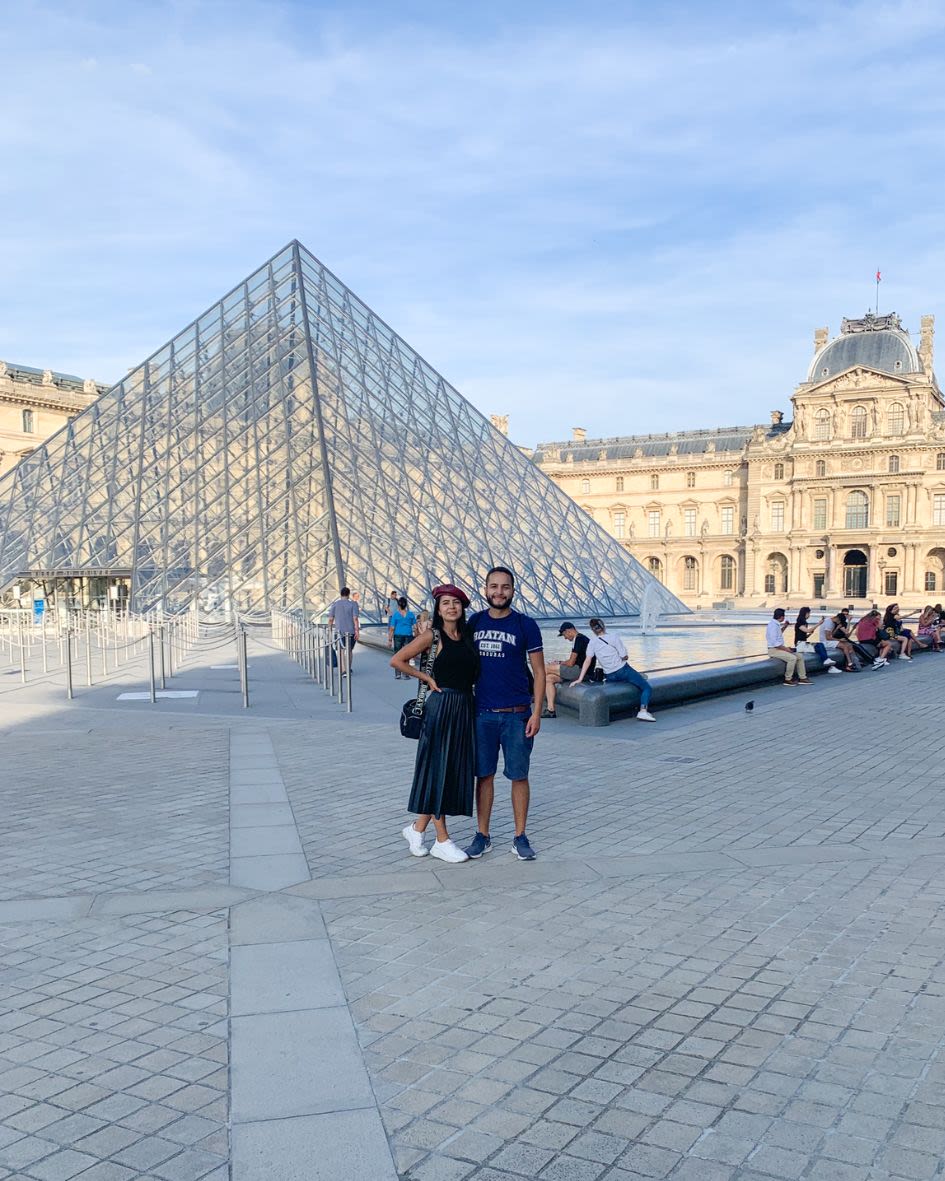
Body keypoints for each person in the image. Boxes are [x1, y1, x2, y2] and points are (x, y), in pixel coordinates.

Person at [392, 584, 479, 864]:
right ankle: (442, 840)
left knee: (447, 770)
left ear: (463, 607)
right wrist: (427, 679)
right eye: (445, 603)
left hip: (464, 707)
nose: (451, 607)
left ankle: (417, 829)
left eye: (456, 602)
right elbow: (398, 659)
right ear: (438, 609)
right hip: (442, 707)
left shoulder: (466, 635)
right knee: (439, 770)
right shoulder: (433, 635)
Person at [464, 566, 546, 862]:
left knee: (519, 776)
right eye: (494, 586)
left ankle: (520, 835)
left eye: (505, 587)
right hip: (482, 714)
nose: (499, 592)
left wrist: (537, 713)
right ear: (485, 590)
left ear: (513, 590)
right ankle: (482, 835)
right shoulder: (473, 622)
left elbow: (539, 672)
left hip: (517, 714)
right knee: (483, 776)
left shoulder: (526, 625)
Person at [574, 619, 656, 720]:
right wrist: (625, 655)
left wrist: (580, 679)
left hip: (609, 675)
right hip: (623, 670)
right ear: (603, 626)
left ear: (593, 630)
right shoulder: (614, 637)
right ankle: (643, 711)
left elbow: (587, 661)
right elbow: (624, 656)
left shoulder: (592, 643)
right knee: (646, 687)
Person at [542, 622, 594, 718]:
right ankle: (550, 710)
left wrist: (558, 663)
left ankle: (534, 696)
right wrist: (560, 662)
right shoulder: (581, 639)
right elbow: (572, 662)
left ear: (568, 631)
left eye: (564, 635)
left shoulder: (579, 639)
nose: (565, 638)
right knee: (549, 678)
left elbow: (570, 663)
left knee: (544, 668)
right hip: (581, 671)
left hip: (579, 671)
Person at [766, 608, 811, 684]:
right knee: (792, 658)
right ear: (781, 617)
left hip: (779, 648)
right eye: (784, 616)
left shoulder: (775, 624)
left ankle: (802, 678)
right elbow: (775, 643)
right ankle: (787, 679)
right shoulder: (773, 625)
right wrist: (786, 649)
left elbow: (778, 635)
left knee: (799, 656)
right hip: (774, 650)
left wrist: (785, 626)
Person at [796, 607, 840, 675]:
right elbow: (807, 630)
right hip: (800, 644)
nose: (809, 615)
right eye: (809, 613)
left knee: (820, 647)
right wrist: (819, 623)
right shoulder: (799, 622)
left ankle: (830, 665)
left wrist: (810, 634)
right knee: (820, 645)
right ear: (806, 613)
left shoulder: (802, 622)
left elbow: (804, 636)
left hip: (803, 643)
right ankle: (829, 665)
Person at [327, 587, 359, 671]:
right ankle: (348, 668)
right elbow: (355, 618)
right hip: (351, 631)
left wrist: (329, 630)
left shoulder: (335, 604)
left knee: (340, 651)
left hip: (339, 632)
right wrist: (357, 631)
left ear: (341, 594)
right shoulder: (353, 604)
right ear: (348, 594)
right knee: (349, 650)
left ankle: (343, 669)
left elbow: (330, 619)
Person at [388, 597, 417, 678]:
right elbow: (415, 627)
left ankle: (398, 674)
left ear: (399, 605)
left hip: (398, 636)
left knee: (397, 654)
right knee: (407, 654)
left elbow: (392, 628)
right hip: (408, 635)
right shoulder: (411, 614)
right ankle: (406, 674)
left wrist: (390, 640)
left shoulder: (395, 615)